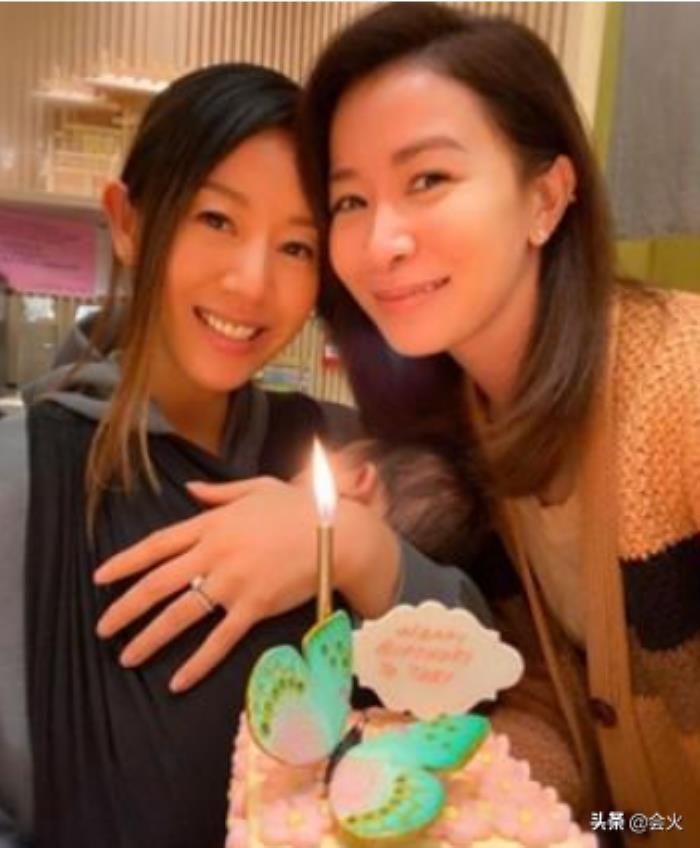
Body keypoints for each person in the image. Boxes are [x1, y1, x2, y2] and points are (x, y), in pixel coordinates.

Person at [0, 61, 492, 848]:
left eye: (297, 247)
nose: (252, 283)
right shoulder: (23, 476)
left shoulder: (336, 447)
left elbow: (473, 693)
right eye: (216, 220)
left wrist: (357, 547)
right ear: (127, 222)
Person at [293, 3, 700, 845]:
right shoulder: (477, 426)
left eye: (428, 180)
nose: (381, 241)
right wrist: (461, 790)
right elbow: (556, 702)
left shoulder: (681, 389)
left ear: (545, 198)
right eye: (350, 200)